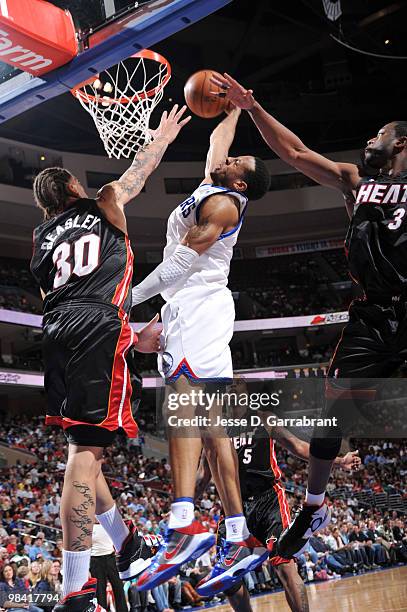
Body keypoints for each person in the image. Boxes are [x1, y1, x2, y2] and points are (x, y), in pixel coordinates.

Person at [210, 71, 407, 558]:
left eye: (378, 134)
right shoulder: (355, 182)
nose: (369, 139)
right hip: (374, 318)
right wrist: (252, 108)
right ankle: (314, 506)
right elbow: (296, 154)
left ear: (402, 142)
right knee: (330, 419)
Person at [30, 105, 191, 612]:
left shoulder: (39, 242)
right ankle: (74, 590)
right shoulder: (102, 203)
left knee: (85, 448)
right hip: (95, 327)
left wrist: (124, 337)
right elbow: (137, 173)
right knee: (84, 461)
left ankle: (128, 548)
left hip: (57, 332)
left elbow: (68, 293)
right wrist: (162, 136)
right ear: (75, 188)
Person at [132, 106, 271, 594]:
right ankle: (235, 537)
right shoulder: (213, 184)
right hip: (191, 308)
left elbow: (178, 268)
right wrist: (235, 106)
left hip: (197, 304)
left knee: (183, 404)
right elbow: (217, 137)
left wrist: (124, 301)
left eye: (238, 162)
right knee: (215, 430)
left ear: (243, 185)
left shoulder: (225, 207)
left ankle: (184, 520)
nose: (229, 159)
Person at [195, 378, 360, 612]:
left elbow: (298, 446)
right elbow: (203, 475)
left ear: (246, 389)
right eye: (228, 382)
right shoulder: (216, 430)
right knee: (228, 578)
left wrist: (340, 461)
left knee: (283, 563)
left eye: (237, 381)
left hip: (268, 498)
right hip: (234, 506)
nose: (231, 384)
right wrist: (185, 507)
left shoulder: (263, 417)